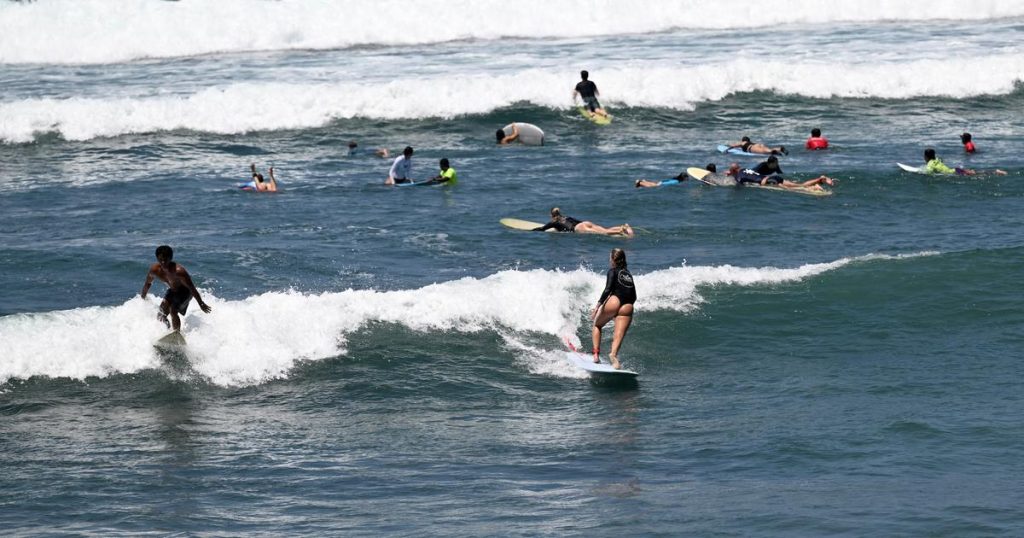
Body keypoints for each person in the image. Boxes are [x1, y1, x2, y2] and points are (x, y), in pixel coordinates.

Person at [141, 245, 212, 332]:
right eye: (160, 260)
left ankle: (176, 334)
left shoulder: (179, 271)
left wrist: (201, 303)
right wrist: (143, 297)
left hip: (186, 292)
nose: (163, 263)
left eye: (165, 260)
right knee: (161, 314)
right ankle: (167, 332)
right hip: (173, 290)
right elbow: (147, 284)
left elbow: (192, 288)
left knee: (173, 310)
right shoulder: (154, 270)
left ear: (170, 258)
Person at [591, 248, 636, 370]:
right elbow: (634, 295)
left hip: (614, 300)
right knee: (619, 334)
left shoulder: (612, 271)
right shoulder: (628, 274)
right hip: (628, 305)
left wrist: (598, 306)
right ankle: (613, 355)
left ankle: (596, 355)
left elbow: (608, 289)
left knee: (597, 325)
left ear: (612, 259)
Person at [533, 207, 633, 237]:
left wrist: (530, 230)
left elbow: (542, 229)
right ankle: (622, 227)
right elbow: (579, 222)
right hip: (585, 223)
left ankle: (619, 232)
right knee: (605, 229)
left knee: (604, 233)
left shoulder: (554, 222)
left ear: (552, 215)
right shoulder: (567, 217)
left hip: (578, 228)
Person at [922, 148, 1006, 176]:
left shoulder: (930, 164)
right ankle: (995, 171)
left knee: (975, 174)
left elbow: (928, 172)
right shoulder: (936, 159)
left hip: (954, 173)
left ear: (926, 157)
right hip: (956, 170)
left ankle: (995, 172)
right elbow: (941, 160)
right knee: (974, 173)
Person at [635, 163, 727, 188]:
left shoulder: (676, 180)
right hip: (667, 183)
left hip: (666, 181)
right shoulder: (676, 182)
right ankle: (640, 183)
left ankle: (643, 182)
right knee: (654, 185)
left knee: (655, 184)